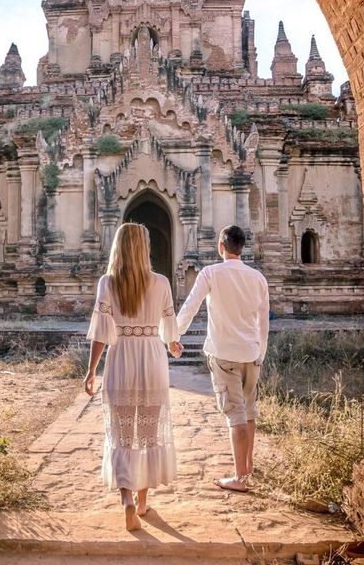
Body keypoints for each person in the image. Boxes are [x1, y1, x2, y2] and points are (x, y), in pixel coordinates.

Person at [84, 223, 182, 531]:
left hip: (121, 357)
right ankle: (142, 503)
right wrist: (173, 344)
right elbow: (170, 332)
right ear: (145, 248)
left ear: (117, 247)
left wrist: (90, 371)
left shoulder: (107, 283)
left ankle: (126, 499)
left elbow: (100, 334)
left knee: (123, 433)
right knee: (148, 434)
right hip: (152, 357)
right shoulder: (162, 282)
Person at [176, 225, 269, 493]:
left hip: (224, 354)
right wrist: (260, 353)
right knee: (249, 410)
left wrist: (174, 335)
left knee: (236, 414)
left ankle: (240, 477)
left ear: (220, 246)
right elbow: (263, 323)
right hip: (252, 354)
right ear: (243, 247)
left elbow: (190, 306)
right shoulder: (258, 278)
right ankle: (248, 465)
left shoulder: (211, 273)